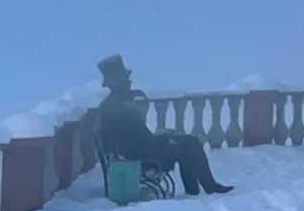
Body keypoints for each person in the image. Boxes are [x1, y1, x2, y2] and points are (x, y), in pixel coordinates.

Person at [95, 55, 233, 196]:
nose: (129, 81)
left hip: (134, 152)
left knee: (188, 143)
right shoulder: (122, 107)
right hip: (142, 155)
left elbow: (137, 136)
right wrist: (164, 137)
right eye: (126, 79)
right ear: (118, 83)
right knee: (191, 144)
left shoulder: (111, 105)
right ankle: (204, 188)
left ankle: (197, 190)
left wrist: (162, 137)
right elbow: (144, 139)